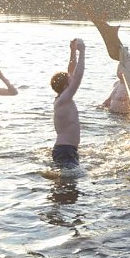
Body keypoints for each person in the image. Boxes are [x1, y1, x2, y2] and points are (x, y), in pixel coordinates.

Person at [50, 38, 85, 168]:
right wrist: (82, 52)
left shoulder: (62, 98)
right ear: (66, 85)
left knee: (66, 185)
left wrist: (72, 51)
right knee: (67, 186)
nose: (72, 78)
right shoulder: (64, 99)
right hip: (65, 151)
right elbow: (78, 77)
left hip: (67, 150)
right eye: (69, 80)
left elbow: (71, 71)